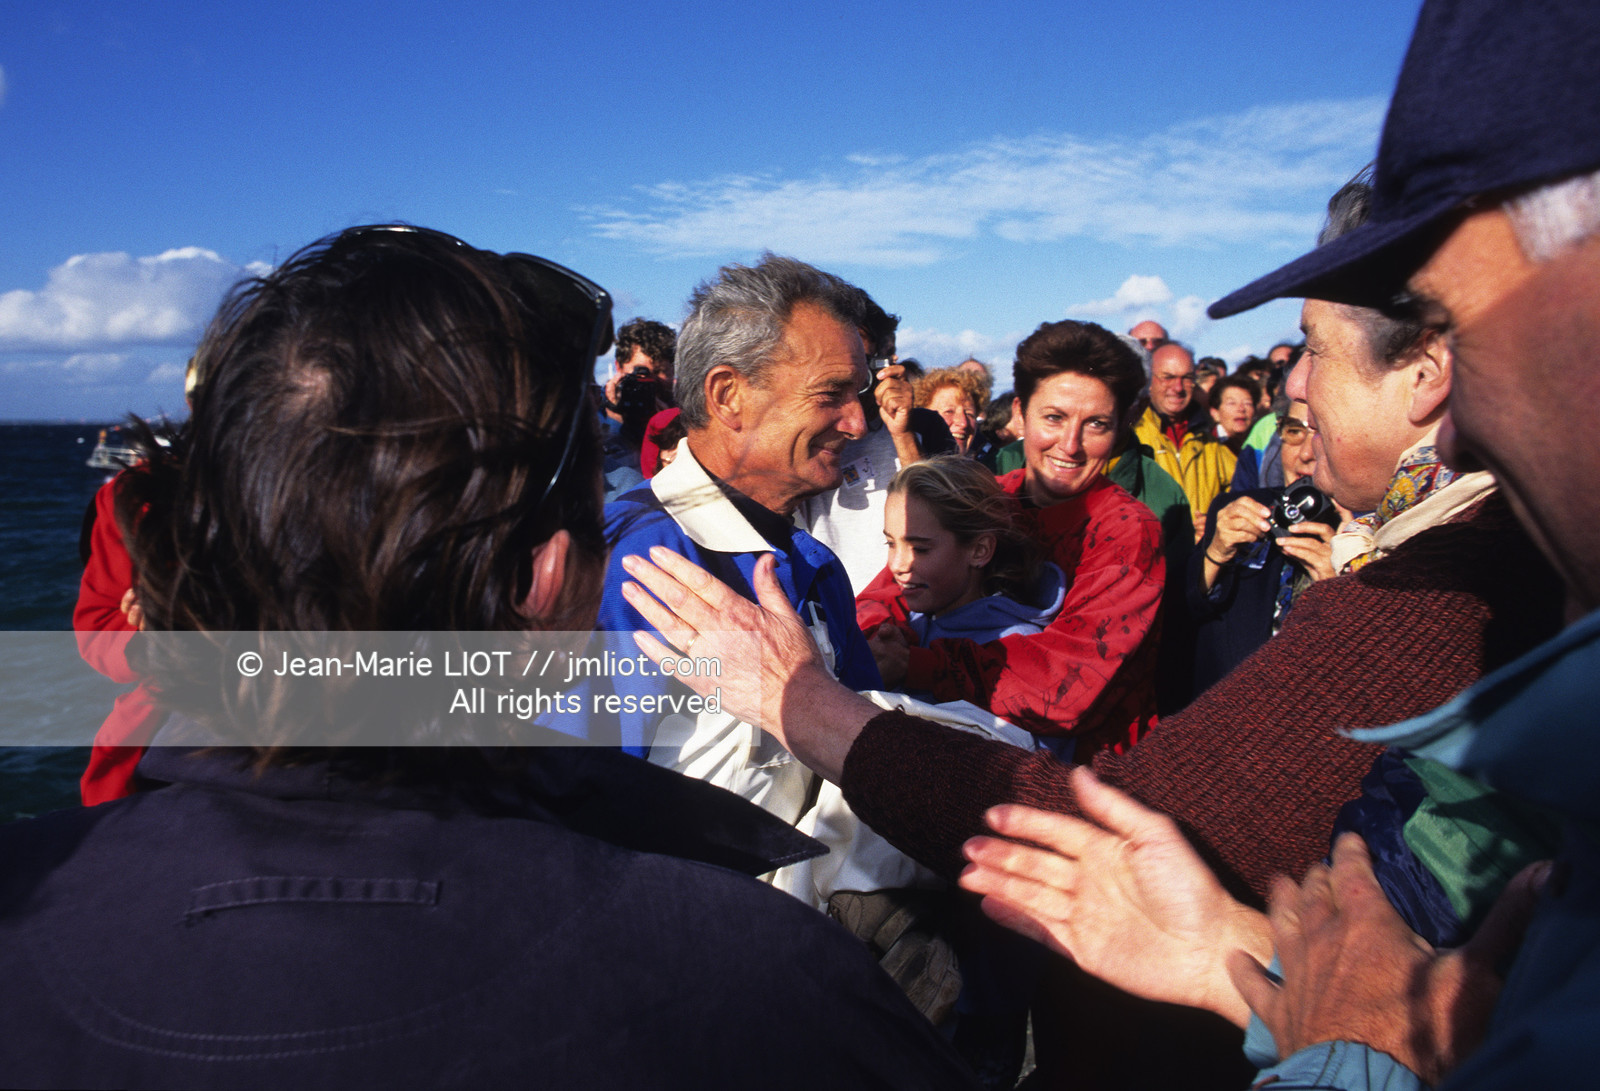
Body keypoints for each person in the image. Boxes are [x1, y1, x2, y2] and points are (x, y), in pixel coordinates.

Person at [0, 226, 973, 1089]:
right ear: (549, 577)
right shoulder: (757, 982)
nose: (856, 422)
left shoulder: (28, 903)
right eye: (603, 514)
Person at [599, 253, 883, 824]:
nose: (857, 423)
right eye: (832, 394)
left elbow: (867, 747)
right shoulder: (638, 562)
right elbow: (582, 803)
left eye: (860, 393)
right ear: (729, 395)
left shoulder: (815, 563)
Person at [858, 319, 1167, 756]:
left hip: (1089, 778)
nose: (1070, 444)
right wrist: (876, 640)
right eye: (1054, 418)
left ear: (1120, 429)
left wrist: (917, 664)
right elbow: (884, 596)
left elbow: (1069, 686)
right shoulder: (989, 496)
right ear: (1020, 413)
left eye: (1096, 424)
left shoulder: (1127, 531)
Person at [861, 455, 1063, 701]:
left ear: (980, 551)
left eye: (920, 549)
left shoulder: (1017, 647)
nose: (896, 565)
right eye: (891, 544)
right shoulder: (902, 629)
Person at [1189, 399, 1334, 694]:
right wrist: (1214, 554)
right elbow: (1185, 616)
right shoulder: (1238, 508)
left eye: (1321, 433)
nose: (1305, 454)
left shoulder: (1367, 535)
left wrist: (1342, 591)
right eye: (1293, 431)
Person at [1134, 341, 1236, 539]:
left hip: (1202, 559)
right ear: (1149, 380)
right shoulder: (1130, 433)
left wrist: (1218, 518)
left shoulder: (1208, 439)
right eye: (1168, 377)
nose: (1178, 388)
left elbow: (1240, 489)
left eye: (1187, 378)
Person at [915, 367, 987, 456]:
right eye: (949, 411)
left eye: (969, 414)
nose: (963, 423)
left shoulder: (986, 468)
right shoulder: (899, 465)